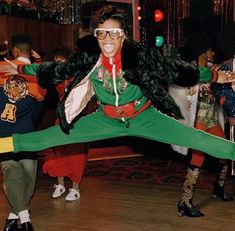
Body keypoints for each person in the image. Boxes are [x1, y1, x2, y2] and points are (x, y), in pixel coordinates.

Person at [0, 4, 235, 205]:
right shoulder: (89, 59)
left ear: (123, 35)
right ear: (96, 36)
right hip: (106, 118)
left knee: (196, 139)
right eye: (102, 33)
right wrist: (20, 68)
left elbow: (177, 70)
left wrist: (215, 76)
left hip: (144, 117)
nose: (108, 39)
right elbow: (52, 70)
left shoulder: (140, 56)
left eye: (114, 33)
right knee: (55, 135)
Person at [177, 47, 233, 218]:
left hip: (212, 119)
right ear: (201, 52)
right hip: (199, 120)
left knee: (225, 153)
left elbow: (222, 79)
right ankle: (184, 202)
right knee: (197, 159)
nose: (213, 53)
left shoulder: (214, 68)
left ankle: (219, 188)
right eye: (210, 51)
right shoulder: (190, 69)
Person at [0, 34, 46, 231]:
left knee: (13, 176)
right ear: (30, 50)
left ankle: (15, 218)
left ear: (15, 50)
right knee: (28, 176)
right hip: (27, 133)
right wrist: (39, 62)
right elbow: (37, 113)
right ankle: (25, 220)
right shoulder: (39, 78)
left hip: (3, 134)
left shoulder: (1, 70)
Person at [41, 45, 88, 201]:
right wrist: (38, 60)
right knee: (58, 151)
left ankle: (75, 187)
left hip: (78, 118)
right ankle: (60, 184)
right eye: (56, 61)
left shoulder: (78, 76)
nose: (59, 65)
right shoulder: (56, 76)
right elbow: (41, 74)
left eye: (62, 61)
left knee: (76, 153)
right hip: (61, 117)